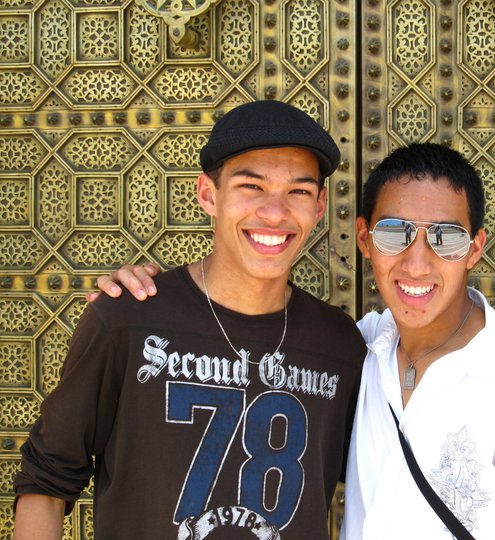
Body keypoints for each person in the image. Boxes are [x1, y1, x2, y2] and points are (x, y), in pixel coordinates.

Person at [89, 143, 495, 539]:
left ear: (475, 248)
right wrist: (155, 299)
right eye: (395, 233)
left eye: (445, 237)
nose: (417, 262)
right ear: (366, 240)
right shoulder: (355, 351)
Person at [13, 100, 367, 539]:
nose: (275, 213)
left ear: (318, 207)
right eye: (251, 187)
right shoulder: (126, 319)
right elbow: (46, 482)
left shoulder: (339, 345)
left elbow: (380, 481)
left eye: (298, 191)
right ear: (207, 194)